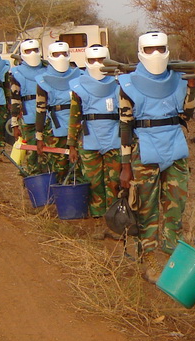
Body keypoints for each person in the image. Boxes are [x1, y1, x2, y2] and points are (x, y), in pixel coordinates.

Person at [118, 31, 195, 282]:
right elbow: (125, 125)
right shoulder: (127, 83)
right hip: (144, 147)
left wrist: (192, 90)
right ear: (140, 51)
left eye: (160, 48)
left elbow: (187, 115)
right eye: (150, 49)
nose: (155, 54)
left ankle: (173, 248)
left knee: (176, 203)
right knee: (146, 206)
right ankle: (148, 256)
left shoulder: (179, 79)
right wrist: (125, 165)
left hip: (174, 144)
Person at [67, 44, 121, 238]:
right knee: (93, 183)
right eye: (92, 60)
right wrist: (71, 145)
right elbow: (74, 117)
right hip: (89, 140)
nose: (97, 64)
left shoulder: (118, 82)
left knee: (114, 182)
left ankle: (115, 224)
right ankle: (99, 223)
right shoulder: (78, 86)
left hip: (114, 138)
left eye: (101, 60)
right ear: (86, 61)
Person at [35, 42, 83, 182]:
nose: (61, 57)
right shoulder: (42, 80)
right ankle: (60, 196)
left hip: (77, 126)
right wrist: (39, 137)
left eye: (64, 53)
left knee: (78, 166)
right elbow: (40, 110)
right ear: (50, 56)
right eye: (57, 54)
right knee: (59, 166)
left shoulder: (79, 75)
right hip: (54, 128)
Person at [10, 38, 47, 176]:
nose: (32, 53)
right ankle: (33, 180)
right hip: (28, 117)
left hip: (48, 117)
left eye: (35, 50)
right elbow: (15, 99)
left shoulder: (48, 69)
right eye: (28, 51)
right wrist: (15, 124)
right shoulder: (16, 73)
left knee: (48, 152)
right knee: (32, 154)